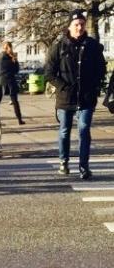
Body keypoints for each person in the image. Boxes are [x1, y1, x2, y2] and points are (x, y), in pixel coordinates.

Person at [45, 9, 106, 179]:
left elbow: (101, 69)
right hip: (66, 97)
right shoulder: (59, 46)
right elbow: (49, 73)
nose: (79, 27)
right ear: (70, 26)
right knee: (64, 130)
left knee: (84, 129)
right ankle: (63, 161)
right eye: (76, 24)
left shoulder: (92, 45)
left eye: (81, 24)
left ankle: (84, 166)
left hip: (86, 97)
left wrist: (93, 85)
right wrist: (62, 86)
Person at [0, 41, 25, 125]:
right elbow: (16, 70)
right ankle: (19, 119)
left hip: (0, 81)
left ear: (3, 47)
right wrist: (15, 61)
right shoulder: (12, 57)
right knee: (15, 101)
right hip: (10, 80)